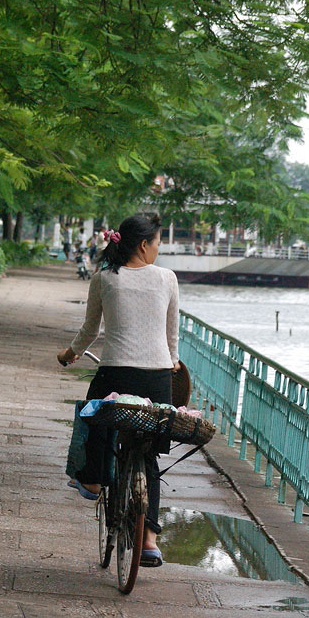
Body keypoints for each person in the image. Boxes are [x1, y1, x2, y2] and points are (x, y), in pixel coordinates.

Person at [57, 212, 180, 567]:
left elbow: (89, 331)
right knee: (148, 455)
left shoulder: (104, 278)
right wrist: (172, 361)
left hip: (116, 374)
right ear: (144, 244)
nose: (158, 249)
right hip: (157, 379)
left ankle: (93, 481)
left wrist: (70, 354)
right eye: (157, 243)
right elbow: (172, 333)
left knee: (92, 415)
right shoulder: (168, 278)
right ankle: (150, 542)